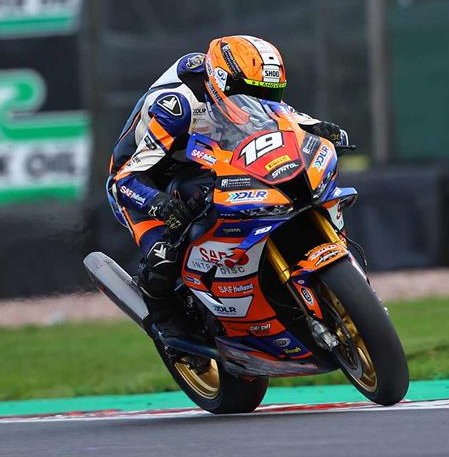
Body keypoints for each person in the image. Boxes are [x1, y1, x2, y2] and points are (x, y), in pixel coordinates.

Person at [106, 35, 348, 340]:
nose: (264, 101)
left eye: (270, 93)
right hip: (147, 180)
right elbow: (122, 180)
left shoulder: (245, 90)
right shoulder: (178, 107)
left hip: (208, 162)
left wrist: (318, 128)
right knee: (162, 256)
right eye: (255, 94)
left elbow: (286, 116)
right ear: (223, 85)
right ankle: (172, 334)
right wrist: (160, 204)